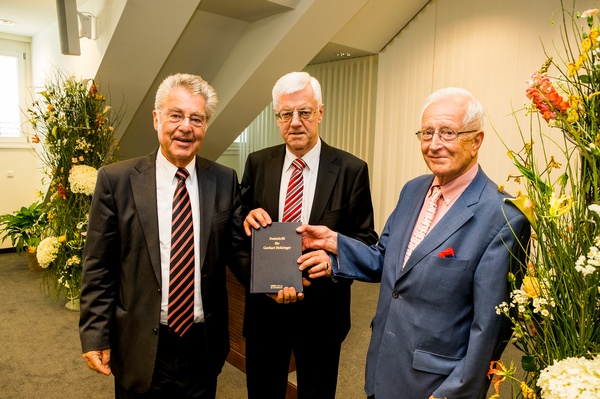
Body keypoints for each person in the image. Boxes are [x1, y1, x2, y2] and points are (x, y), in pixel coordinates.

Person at [298, 87, 531, 399]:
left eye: (448, 132)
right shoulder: (413, 190)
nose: (434, 145)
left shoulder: (503, 216)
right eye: (427, 132)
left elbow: (490, 329)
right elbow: (386, 260)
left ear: (476, 141)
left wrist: (453, 393)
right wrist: (336, 245)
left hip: (435, 385)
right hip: (384, 364)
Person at [79, 73, 248, 398]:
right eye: (176, 115)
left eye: (196, 119)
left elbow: (239, 251)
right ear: (157, 119)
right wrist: (95, 335)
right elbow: (98, 267)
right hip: (140, 341)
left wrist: (279, 274)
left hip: (202, 343)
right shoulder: (116, 181)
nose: (186, 127)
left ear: (205, 126)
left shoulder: (225, 180)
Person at [241, 71, 378, 399]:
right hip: (266, 310)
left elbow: (366, 239)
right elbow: (237, 227)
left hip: (321, 312)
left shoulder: (350, 169)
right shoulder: (258, 163)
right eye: (286, 114)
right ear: (277, 118)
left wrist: (333, 260)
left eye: (304, 112)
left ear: (320, 112)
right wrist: (245, 217)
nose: (296, 122)